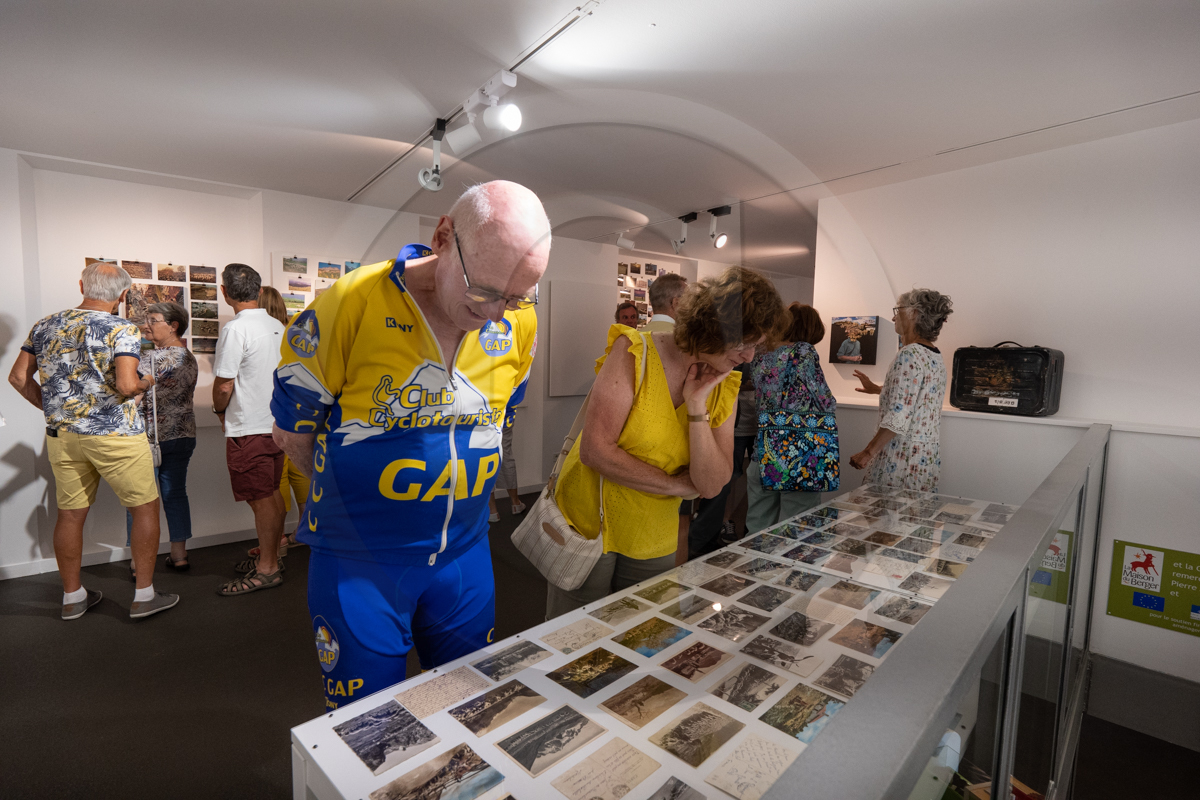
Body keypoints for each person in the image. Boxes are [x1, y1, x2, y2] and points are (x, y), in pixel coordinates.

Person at [271, 181, 550, 710]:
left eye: (518, 297)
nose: (498, 313)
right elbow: (292, 433)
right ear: (443, 237)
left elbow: (501, 415)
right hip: (362, 562)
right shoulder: (351, 301)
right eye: (484, 291)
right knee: (369, 727)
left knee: (472, 709)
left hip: (465, 554)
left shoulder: (519, 321)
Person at [547, 266, 789, 618]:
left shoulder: (724, 385)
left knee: (644, 632)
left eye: (757, 346)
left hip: (654, 530)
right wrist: (676, 485)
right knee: (572, 633)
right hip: (589, 521)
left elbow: (711, 485)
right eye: (745, 343)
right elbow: (596, 451)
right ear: (712, 325)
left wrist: (696, 406)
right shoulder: (635, 351)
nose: (750, 356)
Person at [7, 262, 178, 619]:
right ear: (123, 295)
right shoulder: (121, 328)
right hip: (116, 435)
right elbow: (128, 385)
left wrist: (55, 408)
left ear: (82, 285)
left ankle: (72, 598)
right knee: (144, 508)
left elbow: (19, 377)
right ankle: (144, 596)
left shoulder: (45, 324)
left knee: (70, 515)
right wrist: (147, 381)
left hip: (64, 436)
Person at [212, 264, 287, 595]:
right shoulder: (277, 326)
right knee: (271, 493)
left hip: (249, 427)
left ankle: (267, 568)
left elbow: (224, 384)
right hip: (275, 423)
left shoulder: (236, 328)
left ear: (224, 292)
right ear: (258, 291)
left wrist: (219, 410)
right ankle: (273, 558)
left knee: (260, 499)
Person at [745, 303, 839, 533]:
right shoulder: (803, 351)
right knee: (797, 528)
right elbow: (824, 400)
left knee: (758, 525)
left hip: (763, 450)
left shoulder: (760, 353)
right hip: (798, 455)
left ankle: (754, 557)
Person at [850, 289, 954, 492]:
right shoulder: (934, 355)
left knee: (884, 510)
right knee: (915, 511)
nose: (893, 317)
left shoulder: (909, 354)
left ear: (913, 313)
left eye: (898, 310)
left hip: (900, 460)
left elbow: (899, 415)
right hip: (924, 461)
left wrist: (867, 452)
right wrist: (879, 390)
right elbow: (917, 396)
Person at [124, 302, 199, 571]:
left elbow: (132, 394)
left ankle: (138, 562)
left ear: (173, 326)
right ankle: (179, 555)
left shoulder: (150, 359)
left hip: (150, 438)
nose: (147, 325)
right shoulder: (188, 356)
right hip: (183, 434)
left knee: (140, 500)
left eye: (153, 320)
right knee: (175, 493)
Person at [258, 285, 309, 551]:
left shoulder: (261, 333)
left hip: (268, 412)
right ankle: (303, 530)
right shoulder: (294, 333)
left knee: (278, 477)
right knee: (299, 470)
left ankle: (276, 539)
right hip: (297, 410)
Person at [688, 361, 756, 555]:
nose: (749, 355)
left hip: (760, 425)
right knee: (724, 481)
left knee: (752, 479)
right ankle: (702, 539)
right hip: (734, 423)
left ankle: (718, 531)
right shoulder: (734, 356)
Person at [488, 407, 527, 522]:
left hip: (483, 415)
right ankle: (516, 504)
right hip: (506, 414)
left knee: (486, 456)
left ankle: (492, 511)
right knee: (506, 453)